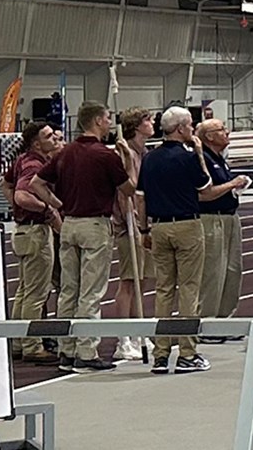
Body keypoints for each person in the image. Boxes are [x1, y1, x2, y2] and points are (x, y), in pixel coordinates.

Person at [26, 101, 131, 373]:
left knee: (68, 290)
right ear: (97, 121)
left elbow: (36, 183)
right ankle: (86, 351)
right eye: (107, 118)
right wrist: (128, 160)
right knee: (91, 291)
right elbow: (129, 189)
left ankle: (67, 349)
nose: (109, 123)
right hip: (94, 225)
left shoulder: (65, 152)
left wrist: (57, 203)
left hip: (69, 224)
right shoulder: (106, 155)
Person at [139, 107, 223, 374]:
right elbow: (205, 186)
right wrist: (198, 153)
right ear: (181, 129)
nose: (192, 129)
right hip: (187, 225)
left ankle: (161, 354)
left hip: (159, 227)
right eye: (189, 125)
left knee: (163, 290)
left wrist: (144, 230)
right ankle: (187, 352)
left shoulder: (149, 158)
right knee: (189, 289)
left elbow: (140, 198)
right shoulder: (187, 158)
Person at [3, 119, 62, 364]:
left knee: (25, 291)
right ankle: (32, 345)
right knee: (36, 294)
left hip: (23, 231)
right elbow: (21, 194)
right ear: (37, 143)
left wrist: (16, 208)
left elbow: (5, 185)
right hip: (36, 232)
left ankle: (18, 341)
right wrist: (46, 208)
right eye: (49, 137)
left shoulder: (20, 160)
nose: (54, 140)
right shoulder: (34, 165)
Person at [195, 119, 249, 335]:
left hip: (230, 217)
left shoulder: (220, 158)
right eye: (221, 130)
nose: (227, 132)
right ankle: (207, 323)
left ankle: (225, 320)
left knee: (233, 270)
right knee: (213, 272)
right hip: (211, 218)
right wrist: (232, 184)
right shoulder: (203, 159)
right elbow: (205, 193)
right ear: (209, 136)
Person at [109, 107, 155, 362]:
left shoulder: (144, 152)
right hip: (128, 224)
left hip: (143, 223)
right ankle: (123, 339)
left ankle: (138, 331)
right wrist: (130, 220)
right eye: (148, 120)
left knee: (142, 280)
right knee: (128, 280)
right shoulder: (123, 151)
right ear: (136, 125)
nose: (152, 123)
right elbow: (125, 188)